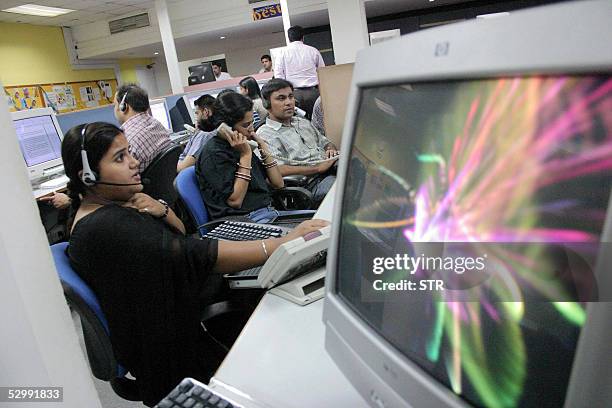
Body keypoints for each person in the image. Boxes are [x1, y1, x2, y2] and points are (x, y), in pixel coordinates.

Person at [62, 121, 328, 406]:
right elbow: (195, 254)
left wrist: (160, 209)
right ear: (88, 176)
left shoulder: (112, 207)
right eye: (120, 158)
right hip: (176, 358)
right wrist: (279, 244)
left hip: (179, 323)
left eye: (129, 152)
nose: (134, 162)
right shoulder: (107, 227)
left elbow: (180, 236)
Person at [195, 91, 307, 222]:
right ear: (226, 127)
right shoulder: (214, 153)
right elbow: (235, 201)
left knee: (322, 224)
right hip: (243, 220)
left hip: (269, 212)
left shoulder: (242, 145)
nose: (251, 129)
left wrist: (264, 149)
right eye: (245, 125)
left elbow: (278, 184)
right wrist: (245, 156)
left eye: (252, 122)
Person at [257, 79, 338, 205]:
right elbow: (277, 170)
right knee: (342, 189)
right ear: (267, 104)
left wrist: (330, 149)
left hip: (330, 168)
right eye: (281, 98)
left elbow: (325, 142)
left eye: (290, 97)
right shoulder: (265, 134)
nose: (289, 102)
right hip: (309, 184)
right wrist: (317, 169)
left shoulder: (302, 122)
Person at [113, 83, 171, 173]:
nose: (114, 109)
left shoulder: (127, 141)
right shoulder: (157, 124)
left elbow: (122, 178)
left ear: (124, 107)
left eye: (115, 105)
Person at [273, 25, 325, 119]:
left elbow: (278, 75)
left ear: (289, 38)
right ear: (302, 37)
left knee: (297, 123)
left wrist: (284, 94)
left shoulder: (281, 53)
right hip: (314, 93)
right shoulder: (313, 51)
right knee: (318, 121)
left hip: (293, 94)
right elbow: (323, 72)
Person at [177, 94, 217, 172]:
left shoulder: (204, 135)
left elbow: (181, 168)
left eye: (197, 113)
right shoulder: (217, 129)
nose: (196, 117)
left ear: (205, 112)